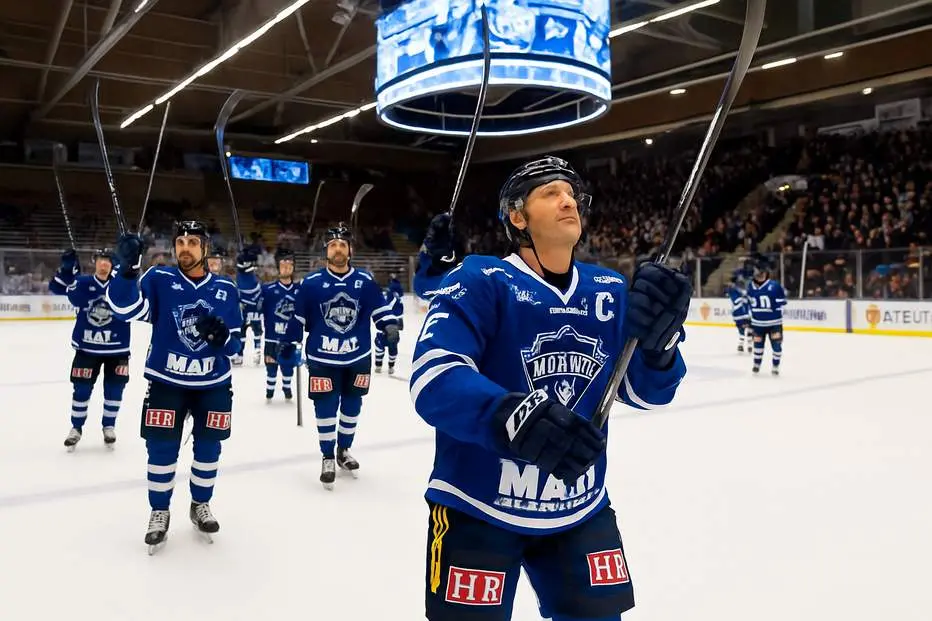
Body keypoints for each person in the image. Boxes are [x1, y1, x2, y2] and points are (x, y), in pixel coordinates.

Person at [409, 156, 691, 620]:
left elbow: (647, 392)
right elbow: (435, 377)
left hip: (580, 509)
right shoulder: (480, 278)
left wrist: (659, 348)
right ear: (517, 217)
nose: (568, 201)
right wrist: (513, 417)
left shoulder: (609, 288)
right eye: (550, 193)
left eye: (572, 194)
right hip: (478, 505)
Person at [106, 221, 243, 553]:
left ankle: (200, 504)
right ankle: (159, 510)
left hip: (213, 384)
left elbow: (236, 347)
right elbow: (124, 310)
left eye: (193, 242)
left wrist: (223, 339)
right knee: (161, 450)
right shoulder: (159, 279)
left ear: (205, 249)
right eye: (180, 241)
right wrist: (126, 271)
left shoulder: (225, 288)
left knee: (209, 449)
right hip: (166, 381)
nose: (185, 247)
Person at [288, 223, 401, 489]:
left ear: (349, 250)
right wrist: (287, 343)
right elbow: (297, 319)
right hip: (322, 359)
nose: (338, 249)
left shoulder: (364, 281)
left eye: (342, 244)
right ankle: (327, 455)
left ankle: (344, 450)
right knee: (326, 408)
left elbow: (380, 310)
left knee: (352, 407)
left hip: (358, 357)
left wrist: (389, 325)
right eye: (333, 245)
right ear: (326, 250)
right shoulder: (311, 283)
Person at [48, 248, 131, 451]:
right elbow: (57, 288)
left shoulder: (120, 285)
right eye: (101, 260)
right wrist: (67, 270)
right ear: (95, 262)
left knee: (114, 390)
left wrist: (127, 272)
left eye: (108, 260)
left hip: (117, 349)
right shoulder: (83, 282)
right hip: (87, 349)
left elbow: (134, 299)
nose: (104, 264)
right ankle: (76, 428)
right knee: (81, 390)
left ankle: (109, 426)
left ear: (113, 264)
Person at [260, 248, 302, 401]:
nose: (286, 268)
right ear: (278, 267)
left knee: (288, 368)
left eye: (289, 265)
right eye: (283, 265)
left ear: (293, 268)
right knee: (271, 368)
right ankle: (269, 391)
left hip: (290, 339)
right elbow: (256, 306)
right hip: (272, 338)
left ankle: (287, 388)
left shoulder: (300, 290)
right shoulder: (267, 289)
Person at [745, 259, 787, 375]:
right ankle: (757, 364)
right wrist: (749, 320)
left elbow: (781, 303)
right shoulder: (750, 287)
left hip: (774, 324)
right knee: (758, 346)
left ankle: (775, 365)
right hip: (758, 324)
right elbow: (749, 304)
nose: (759, 275)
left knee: (777, 346)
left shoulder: (775, 286)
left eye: (761, 272)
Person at [234, 248, 263, 366]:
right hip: (252, 307)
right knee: (248, 332)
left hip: (247, 307)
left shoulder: (245, 278)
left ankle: (244, 354)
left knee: (246, 332)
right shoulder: (251, 278)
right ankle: (251, 352)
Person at [728, 273, 752, 353]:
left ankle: (748, 345)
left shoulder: (743, 290)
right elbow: (736, 301)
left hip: (746, 314)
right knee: (742, 330)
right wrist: (743, 296)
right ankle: (742, 345)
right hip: (739, 314)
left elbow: (750, 301)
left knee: (749, 329)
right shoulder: (733, 291)